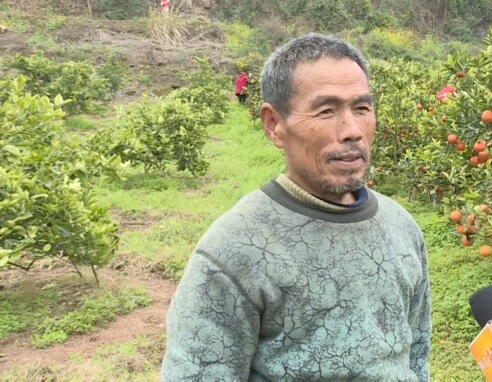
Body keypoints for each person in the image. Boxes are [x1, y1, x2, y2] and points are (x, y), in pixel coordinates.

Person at [161, 33, 432, 381]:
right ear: (274, 125)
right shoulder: (233, 251)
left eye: (362, 108)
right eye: (326, 111)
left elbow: (416, 354)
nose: (352, 130)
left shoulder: (400, 226)